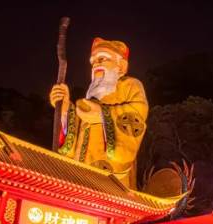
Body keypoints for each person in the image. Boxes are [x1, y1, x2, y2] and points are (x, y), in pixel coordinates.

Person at [49, 38, 149, 189]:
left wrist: (103, 115)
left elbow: (138, 113)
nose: (96, 64)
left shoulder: (130, 85)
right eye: (93, 61)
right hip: (80, 175)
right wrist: (64, 110)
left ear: (121, 66)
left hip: (111, 177)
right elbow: (70, 146)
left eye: (102, 58)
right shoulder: (90, 98)